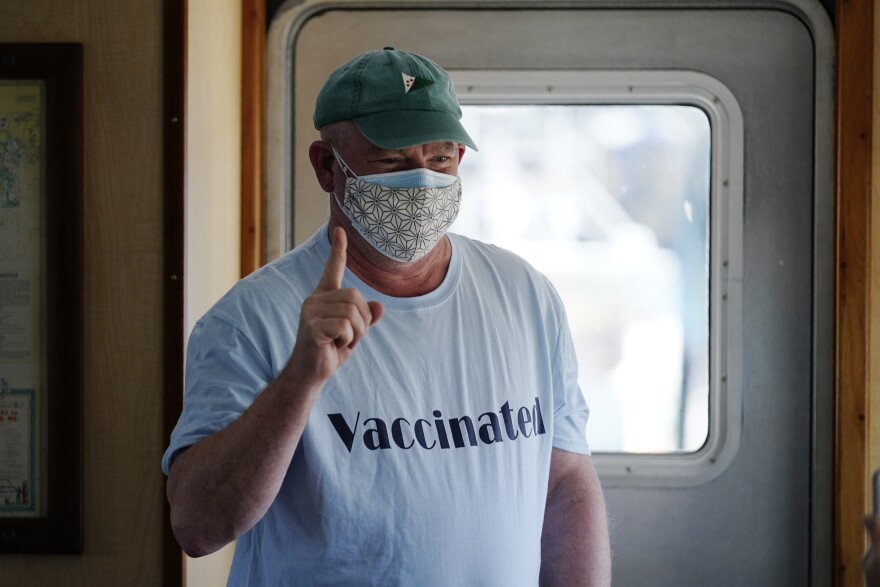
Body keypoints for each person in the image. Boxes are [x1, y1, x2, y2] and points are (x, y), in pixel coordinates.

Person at [162, 46, 611, 586]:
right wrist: (300, 382)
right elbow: (198, 526)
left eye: (440, 159)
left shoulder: (526, 296)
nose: (422, 182)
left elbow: (564, 483)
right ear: (328, 166)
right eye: (393, 162)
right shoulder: (253, 319)